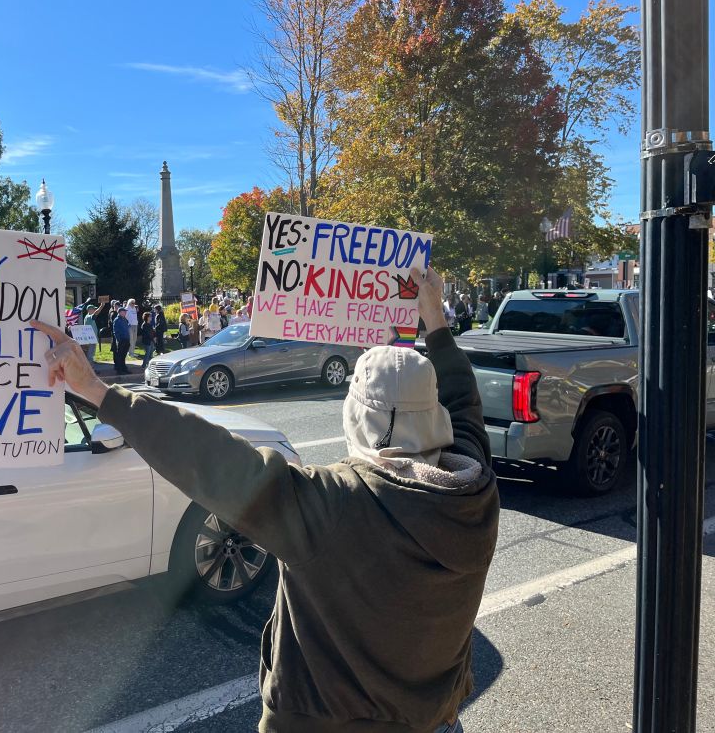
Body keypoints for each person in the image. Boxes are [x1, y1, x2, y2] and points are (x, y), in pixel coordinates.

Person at [30, 266, 497, 733]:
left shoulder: (331, 504)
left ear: (359, 416)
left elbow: (210, 458)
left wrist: (95, 390)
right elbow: (463, 403)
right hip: (436, 720)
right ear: (436, 417)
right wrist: (434, 315)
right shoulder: (475, 489)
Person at [111, 307, 131, 375]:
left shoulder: (125, 319)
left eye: (125, 311)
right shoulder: (117, 320)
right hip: (121, 340)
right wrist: (119, 340)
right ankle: (119, 370)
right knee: (119, 356)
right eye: (124, 311)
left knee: (123, 355)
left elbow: (127, 328)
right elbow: (115, 331)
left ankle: (123, 368)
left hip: (126, 339)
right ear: (120, 312)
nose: (125, 312)